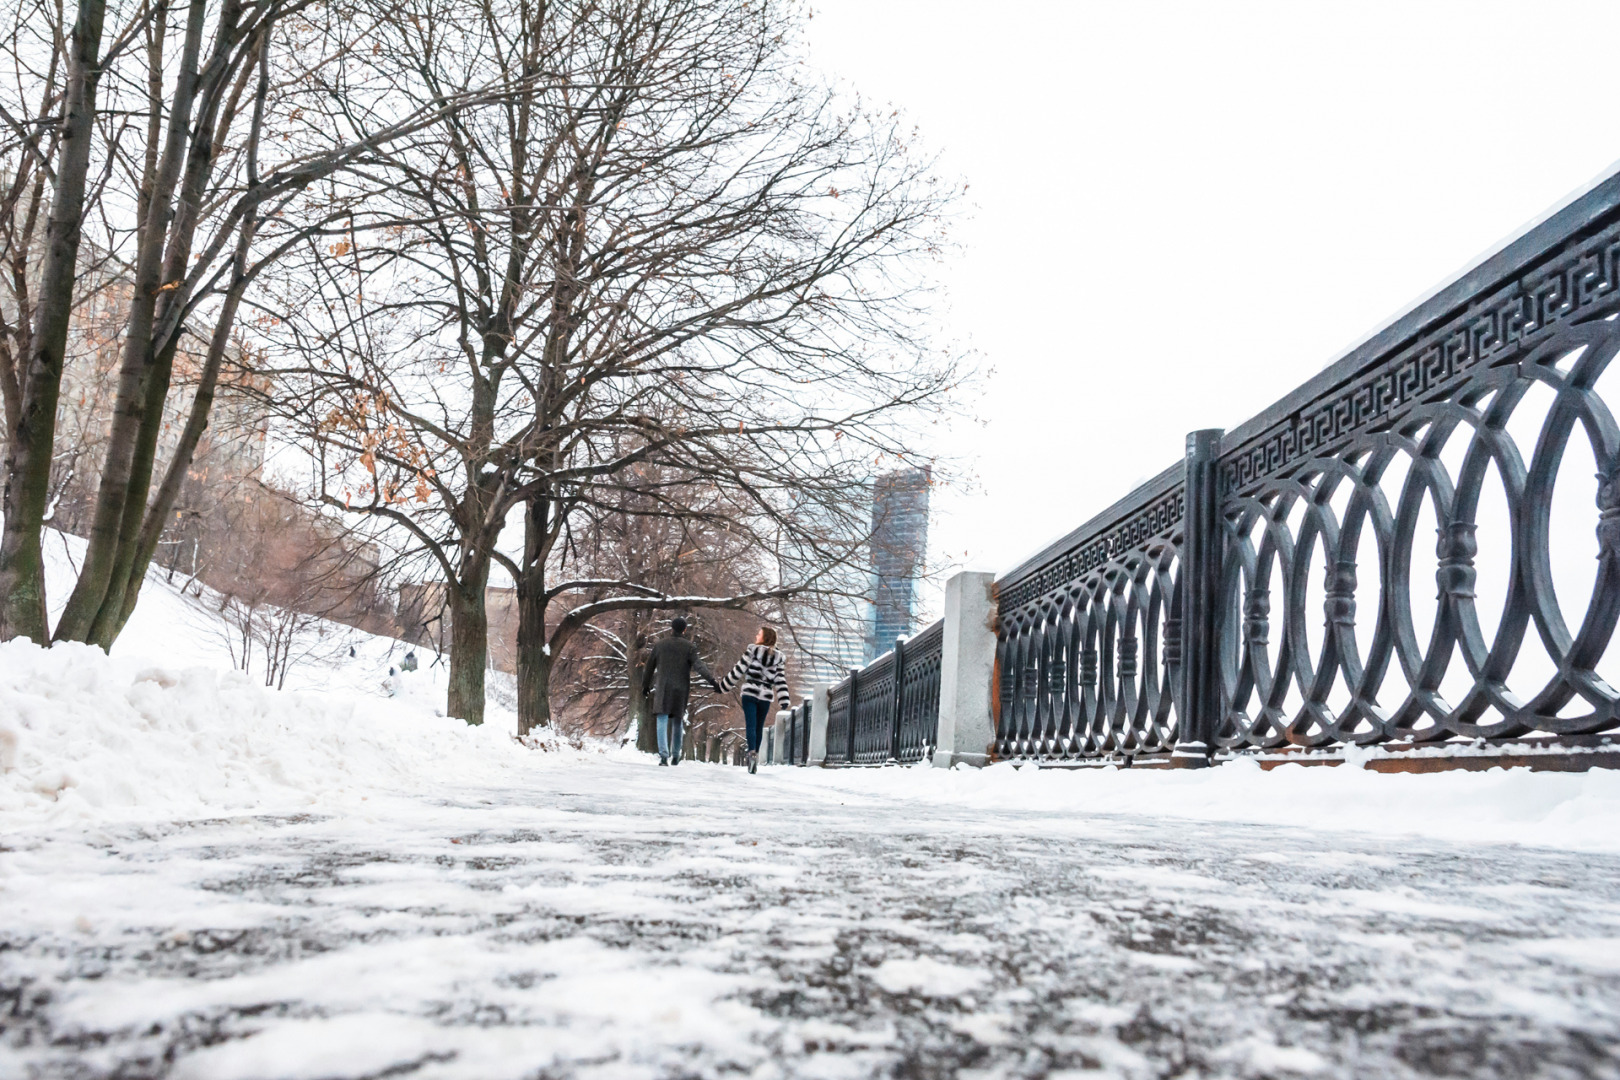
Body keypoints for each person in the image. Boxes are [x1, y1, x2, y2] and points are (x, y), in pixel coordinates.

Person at [640, 616, 720, 766]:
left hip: (663, 687)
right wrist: (712, 681)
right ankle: (676, 755)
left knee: (662, 719)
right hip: (680, 688)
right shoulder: (689, 647)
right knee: (677, 720)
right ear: (684, 630)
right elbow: (699, 666)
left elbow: (649, 667)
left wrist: (645, 686)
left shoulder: (660, 645)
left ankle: (664, 756)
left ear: (671, 628)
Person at [717, 625, 791, 774]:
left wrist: (723, 686)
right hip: (765, 696)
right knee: (759, 726)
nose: (756, 636)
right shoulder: (778, 658)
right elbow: (780, 680)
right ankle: (754, 755)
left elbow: (738, 671)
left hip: (750, 693)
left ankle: (751, 753)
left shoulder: (752, 651)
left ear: (765, 638)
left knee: (750, 725)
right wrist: (783, 699)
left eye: (759, 634)